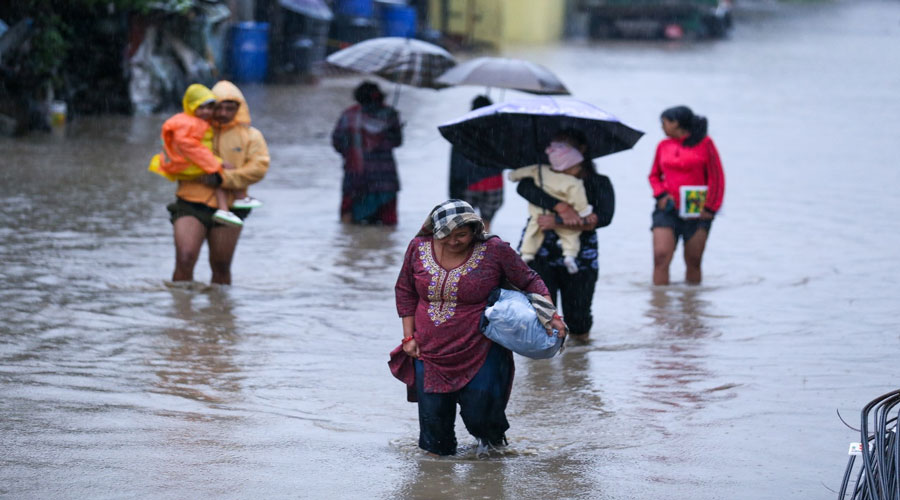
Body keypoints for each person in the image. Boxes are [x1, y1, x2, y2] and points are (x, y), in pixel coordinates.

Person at [389, 200, 566, 456]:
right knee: (435, 432)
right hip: (429, 351)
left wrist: (551, 315)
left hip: (480, 347)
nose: (453, 241)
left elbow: (530, 279)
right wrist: (408, 337)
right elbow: (405, 290)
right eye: (445, 235)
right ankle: (438, 485)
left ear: (475, 229)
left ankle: (492, 464)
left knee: (482, 416)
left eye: (461, 234)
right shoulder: (418, 248)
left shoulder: (494, 249)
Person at [166, 80, 270, 285]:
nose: (223, 113)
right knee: (184, 258)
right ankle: (179, 313)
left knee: (221, 265)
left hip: (230, 207)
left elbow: (258, 168)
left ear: (239, 108)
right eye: (218, 107)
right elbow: (171, 159)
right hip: (191, 202)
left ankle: (220, 313)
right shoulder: (189, 130)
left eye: (229, 108)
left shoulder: (251, 136)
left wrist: (224, 178)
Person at [515, 128, 615, 339]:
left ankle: (578, 365)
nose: (558, 151)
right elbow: (523, 187)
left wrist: (558, 221)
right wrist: (560, 206)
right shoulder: (542, 176)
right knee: (539, 316)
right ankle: (542, 369)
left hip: (580, 255)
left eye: (565, 145)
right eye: (555, 146)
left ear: (581, 150)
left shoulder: (599, 183)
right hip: (540, 250)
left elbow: (603, 217)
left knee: (579, 319)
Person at [648, 105, 725, 285]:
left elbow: (717, 178)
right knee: (660, 257)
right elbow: (653, 176)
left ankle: (691, 307)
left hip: (697, 208)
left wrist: (710, 208)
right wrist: (660, 195)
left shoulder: (705, 144)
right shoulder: (663, 145)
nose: (662, 127)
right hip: (668, 207)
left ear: (677, 123)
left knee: (693, 260)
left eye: (664, 123)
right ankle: (659, 307)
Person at [148, 83, 245, 227]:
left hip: (187, 165)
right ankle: (229, 206)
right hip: (188, 170)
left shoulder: (199, 122)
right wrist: (215, 162)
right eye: (201, 107)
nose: (206, 111)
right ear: (191, 107)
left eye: (210, 108)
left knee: (221, 176)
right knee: (221, 176)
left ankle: (234, 202)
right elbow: (192, 148)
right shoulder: (189, 123)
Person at [508, 140, 593, 274]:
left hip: (538, 214)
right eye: (577, 166)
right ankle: (570, 255)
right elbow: (579, 200)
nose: (579, 169)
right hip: (565, 222)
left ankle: (526, 255)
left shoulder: (540, 170)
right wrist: (583, 211)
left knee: (532, 231)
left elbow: (523, 173)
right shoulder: (574, 182)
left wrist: (513, 175)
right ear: (567, 167)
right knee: (570, 236)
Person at [331, 80, 403, 225]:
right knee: (387, 228)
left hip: (355, 180)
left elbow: (337, 143)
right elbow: (397, 141)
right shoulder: (390, 115)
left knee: (349, 226)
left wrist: (352, 151)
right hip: (385, 181)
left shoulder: (348, 116)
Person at [448, 95, 503, 232]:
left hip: (468, 183)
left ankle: (470, 252)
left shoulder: (462, 129)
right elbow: (506, 157)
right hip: (493, 182)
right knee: (486, 226)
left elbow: (456, 163)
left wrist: (453, 192)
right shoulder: (499, 130)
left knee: (465, 227)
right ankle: (484, 250)